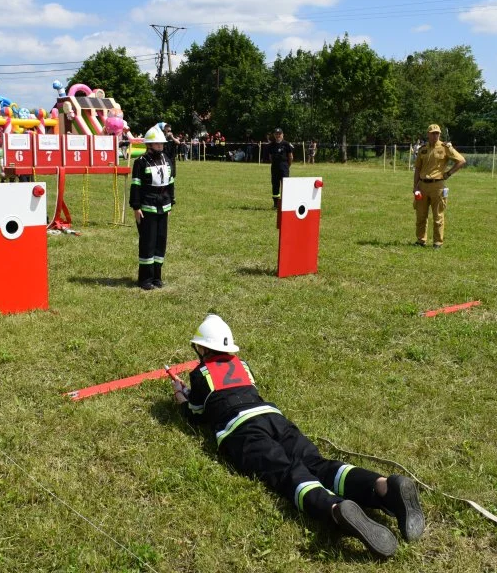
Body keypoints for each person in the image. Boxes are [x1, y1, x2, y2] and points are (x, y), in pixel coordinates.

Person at [169, 314, 425, 559]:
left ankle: (334, 509)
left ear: (202, 349)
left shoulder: (200, 373)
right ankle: (383, 486)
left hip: (242, 429)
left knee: (285, 471)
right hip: (273, 417)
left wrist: (182, 398)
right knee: (316, 462)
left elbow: (197, 415)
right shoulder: (242, 365)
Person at [130, 125, 176, 290]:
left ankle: (157, 276)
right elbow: (136, 185)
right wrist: (136, 207)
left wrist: (171, 203)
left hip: (163, 206)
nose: (160, 147)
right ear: (148, 145)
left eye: (161, 144)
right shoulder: (140, 163)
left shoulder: (167, 160)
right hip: (147, 207)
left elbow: (170, 183)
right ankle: (145, 279)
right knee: (148, 243)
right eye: (157, 144)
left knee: (160, 242)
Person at [412, 124, 465, 249]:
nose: (435, 135)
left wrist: (448, 173)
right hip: (423, 186)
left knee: (438, 216)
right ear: (428, 134)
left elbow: (461, 160)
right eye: (433, 133)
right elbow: (418, 168)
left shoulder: (445, 147)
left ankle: (437, 242)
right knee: (421, 215)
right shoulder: (422, 149)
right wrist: (415, 186)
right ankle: (421, 240)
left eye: (437, 133)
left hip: (438, 186)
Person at [267, 128, 294, 209]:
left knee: (285, 185)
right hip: (274, 167)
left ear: (282, 135)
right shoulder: (271, 145)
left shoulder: (286, 144)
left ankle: (285, 204)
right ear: (274, 135)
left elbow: (290, 157)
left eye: (279, 134)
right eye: (276, 134)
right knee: (275, 185)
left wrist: (286, 166)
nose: (278, 135)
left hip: (284, 167)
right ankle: (276, 204)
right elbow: (270, 157)